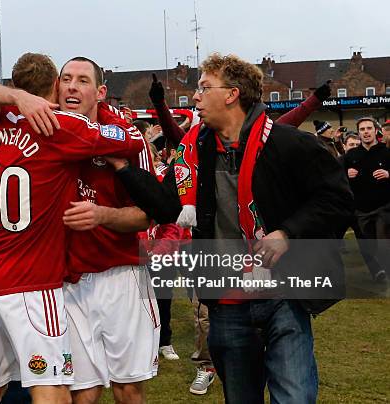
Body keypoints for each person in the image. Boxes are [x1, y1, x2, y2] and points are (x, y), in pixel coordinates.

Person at [104, 53, 353, 404]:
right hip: (226, 301)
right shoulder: (194, 151)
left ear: (232, 94)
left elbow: (337, 200)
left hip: (283, 294)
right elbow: (166, 207)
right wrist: (123, 168)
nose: (195, 96)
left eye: (204, 87)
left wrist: (287, 233)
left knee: (295, 397)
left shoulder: (289, 144)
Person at [0, 52, 145, 404]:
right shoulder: (61, 126)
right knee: (54, 387)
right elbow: (131, 141)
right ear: (54, 86)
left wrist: (16, 97)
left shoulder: (3, 121)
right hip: (32, 280)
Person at [57, 57, 158, 404]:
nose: (72, 86)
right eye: (65, 79)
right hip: (68, 281)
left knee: (127, 388)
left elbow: (147, 215)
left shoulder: (128, 138)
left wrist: (101, 215)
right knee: (82, 392)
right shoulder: (46, 130)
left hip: (121, 275)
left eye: (82, 80)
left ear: (100, 92)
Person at [343, 117, 390, 284]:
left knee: (383, 239)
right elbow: (337, 177)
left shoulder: (386, 152)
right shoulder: (351, 156)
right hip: (362, 210)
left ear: (375, 131)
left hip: (384, 207)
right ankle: (379, 271)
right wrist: (346, 175)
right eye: (362, 129)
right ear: (359, 133)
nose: (366, 132)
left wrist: (388, 174)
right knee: (370, 246)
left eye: (369, 128)